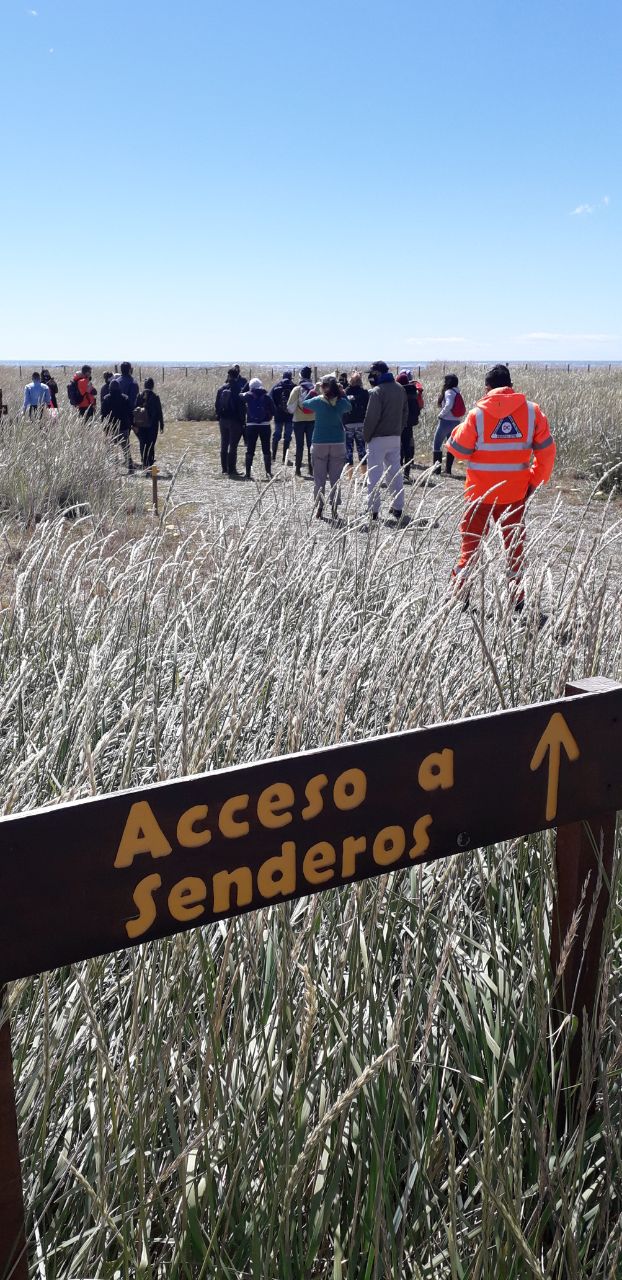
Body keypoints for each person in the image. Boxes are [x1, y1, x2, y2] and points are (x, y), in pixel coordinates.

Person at [447, 364, 556, 609]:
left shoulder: (477, 414)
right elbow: (547, 452)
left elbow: (460, 450)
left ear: (487, 388)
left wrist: (457, 429)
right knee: (514, 547)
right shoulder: (532, 412)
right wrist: (534, 481)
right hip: (515, 493)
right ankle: (517, 599)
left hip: (479, 495)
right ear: (511, 386)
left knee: (471, 545)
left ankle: (460, 595)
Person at [299, 374, 350, 517]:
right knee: (336, 477)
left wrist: (313, 390)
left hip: (320, 441)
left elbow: (304, 404)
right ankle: (334, 508)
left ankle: (319, 508)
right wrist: (342, 393)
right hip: (338, 442)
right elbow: (349, 406)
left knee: (319, 478)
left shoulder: (317, 401)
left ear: (323, 387)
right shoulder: (340, 402)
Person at [363, 361, 408, 522]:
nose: (370, 376)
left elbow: (371, 417)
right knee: (395, 474)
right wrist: (398, 430)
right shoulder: (400, 388)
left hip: (378, 438)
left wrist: (366, 436)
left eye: (372, 373)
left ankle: (373, 511)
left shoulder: (377, 391)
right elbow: (405, 413)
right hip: (395, 437)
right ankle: (398, 507)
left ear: (377, 373)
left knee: (374, 476)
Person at [215, 367, 247, 477]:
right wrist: (243, 421)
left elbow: (216, 405)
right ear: (238, 376)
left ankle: (224, 469)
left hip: (223, 420)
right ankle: (232, 469)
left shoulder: (221, 388)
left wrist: (219, 417)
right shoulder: (239, 389)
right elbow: (241, 407)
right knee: (233, 446)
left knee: (224, 444)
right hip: (235, 421)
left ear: (228, 376)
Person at [241, 378, 274, 480]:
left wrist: (247, 387)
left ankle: (248, 473)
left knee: (250, 449)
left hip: (251, 425)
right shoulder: (267, 397)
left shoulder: (248, 396)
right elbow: (274, 411)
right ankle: (268, 472)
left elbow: (239, 395)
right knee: (266, 449)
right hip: (265, 425)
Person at [433, 374, 465, 475]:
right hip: (456, 422)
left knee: (436, 445)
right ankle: (448, 470)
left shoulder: (449, 392)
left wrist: (441, 414)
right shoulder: (457, 392)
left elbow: (449, 404)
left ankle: (436, 470)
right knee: (450, 446)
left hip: (446, 421)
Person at [287, 366, 316, 477]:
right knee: (311, 446)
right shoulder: (315, 388)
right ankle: (311, 469)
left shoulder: (297, 389)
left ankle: (298, 470)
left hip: (298, 421)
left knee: (299, 446)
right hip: (312, 420)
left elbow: (290, 408)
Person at [396, 370, 424, 482]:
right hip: (409, 425)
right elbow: (418, 408)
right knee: (407, 448)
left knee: (399, 449)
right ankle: (406, 474)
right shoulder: (414, 392)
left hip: (399, 425)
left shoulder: (398, 393)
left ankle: (397, 473)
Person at [102, 379, 133, 469]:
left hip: (111, 428)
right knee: (125, 448)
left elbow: (103, 415)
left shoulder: (106, 398)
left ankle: (112, 467)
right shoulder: (125, 398)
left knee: (110, 448)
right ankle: (130, 466)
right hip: (123, 427)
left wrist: (105, 428)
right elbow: (130, 412)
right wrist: (131, 424)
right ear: (119, 387)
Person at [134, 378, 164, 469]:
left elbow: (135, 409)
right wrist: (161, 424)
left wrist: (134, 424)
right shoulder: (155, 397)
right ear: (152, 386)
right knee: (151, 443)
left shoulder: (139, 395)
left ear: (144, 385)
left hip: (141, 424)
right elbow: (159, 412)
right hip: (152, 425)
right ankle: (150, 461)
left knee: (143, 442)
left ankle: (144, 460)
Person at [343, 371, 369, 472]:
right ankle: (364, 475)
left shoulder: (345, 393)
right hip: (361, 423)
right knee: (362, 449)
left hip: (348, 424)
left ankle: (350, 477)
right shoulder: (364, 393)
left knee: (348, 450)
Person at [270, 370, 295, 463]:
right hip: (290, 415)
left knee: (276, 435)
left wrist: (274, 411)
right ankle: (285, 458)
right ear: (290, 377)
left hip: (278, 415)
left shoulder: (276, 386)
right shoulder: (294, 387)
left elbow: (270, 398)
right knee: (287, 436)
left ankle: (273, 457)